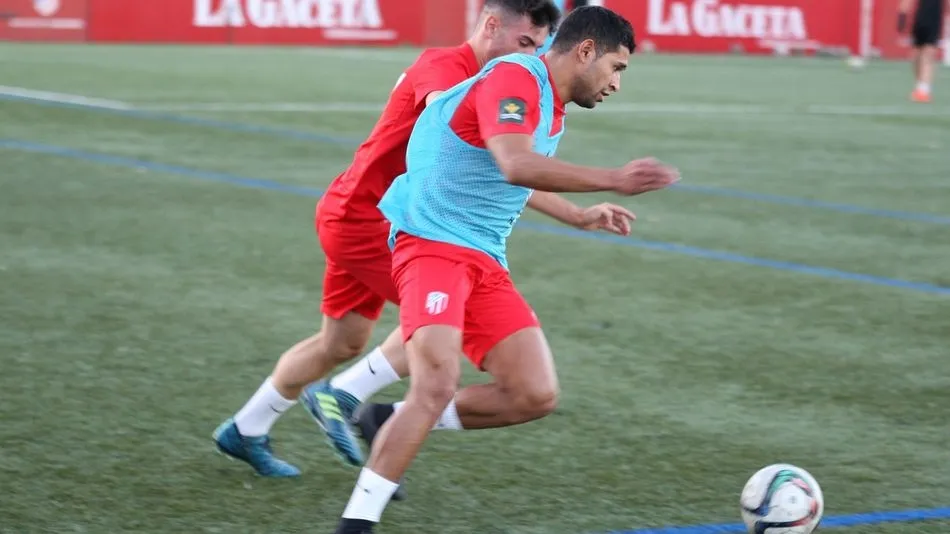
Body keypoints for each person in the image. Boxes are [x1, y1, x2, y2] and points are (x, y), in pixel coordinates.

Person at [212, 0, 624, 483]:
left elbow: (492, 166)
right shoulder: (447, 67)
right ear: (491, 26)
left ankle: (246, 427)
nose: (532, 56)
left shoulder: (508, 82)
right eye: (526, 43)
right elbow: (475, 153)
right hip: (376, 219)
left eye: (539, 47)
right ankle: (345, 398)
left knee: (342, 341)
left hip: (369, 212)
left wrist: (574, 214)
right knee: (443, 318)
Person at [331, 6, 680, 533]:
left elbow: (509, 169)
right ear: (585, 50)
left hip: (482, 258)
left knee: (533, 393)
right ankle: (355, 524)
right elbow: (514, 162)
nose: (615, 83)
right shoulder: (515, 77)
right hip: (432, 244)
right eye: (616, 67)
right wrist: (615, 178)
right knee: (436, 384)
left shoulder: (551, 105)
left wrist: (579, 216)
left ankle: (382, 418)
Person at [899, 0, 947, 102]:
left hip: (935, 19)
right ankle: (919, 86)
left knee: (929, 53)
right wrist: (902, 16)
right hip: (920, 19)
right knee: (916, 54)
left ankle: (924, 90)